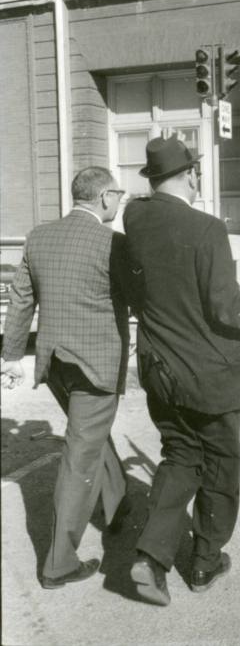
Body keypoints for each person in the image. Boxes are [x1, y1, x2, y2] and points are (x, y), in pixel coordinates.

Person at [123, 136, 240, 607]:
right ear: (191, 175)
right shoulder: (206, 229)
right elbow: (228, 309)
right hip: (210, 373)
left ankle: (151, 555)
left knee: (180, 457)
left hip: (160, 368)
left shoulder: (136, 217)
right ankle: (204, 561)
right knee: (221, 467)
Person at [0, 168, 132, 589]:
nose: (121, 201)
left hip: (55, 361)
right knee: (80, 455)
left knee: (90, 436)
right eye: (119, 194)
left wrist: (11, 355)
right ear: (104, 197)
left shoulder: (39, 236)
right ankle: (58, 563)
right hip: (96, 365)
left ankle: (117, 506)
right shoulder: (114, 243)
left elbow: (21, 300)